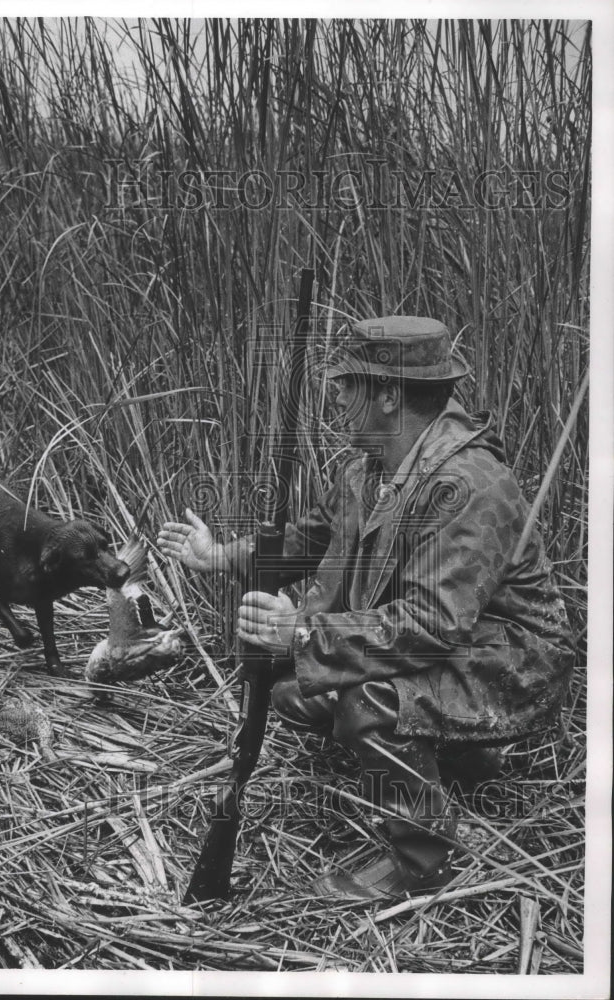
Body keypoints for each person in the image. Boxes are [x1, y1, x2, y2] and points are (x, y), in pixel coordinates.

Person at [157, 316, 574, 902]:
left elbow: (431, 626)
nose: (337, 397)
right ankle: (463, 757)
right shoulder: (367, 468)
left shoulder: (470, 484)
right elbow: (308, 541)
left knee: (365, 698)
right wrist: (223, 556)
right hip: (451, 646)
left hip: (512, 662)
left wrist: (302, 633)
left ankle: (424, 857)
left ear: (385, 395)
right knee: (296, 692)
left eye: (347, 385)